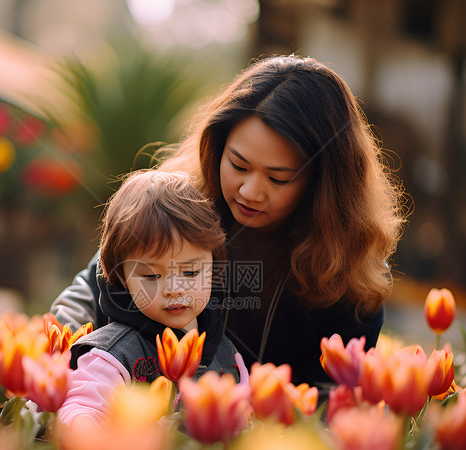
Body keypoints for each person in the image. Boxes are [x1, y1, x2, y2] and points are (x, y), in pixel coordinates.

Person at [51, 54, 406, 403]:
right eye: (238, 165)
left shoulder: (350, 271)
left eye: (277, 178)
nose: (250, 192)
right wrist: (58, 358)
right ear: (217, 147)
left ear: (323, 184)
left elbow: (334, 399)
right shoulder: (183, 210)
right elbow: (91, 287)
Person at [58, 169, 248, 427]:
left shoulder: (225, 350)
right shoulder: (114, 354)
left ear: (213, 264)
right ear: (123, 279)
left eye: (191, 271)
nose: (174, 288)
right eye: (151, 276)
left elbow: (247, 417)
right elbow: (79, 410)